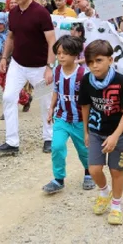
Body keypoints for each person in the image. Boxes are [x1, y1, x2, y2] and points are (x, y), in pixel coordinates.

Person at [0, 0, 56, 155]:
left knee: (45, 102)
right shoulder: (12, 13)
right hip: (18, 64)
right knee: (8, 97)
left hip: (40, 66)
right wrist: (4, 57)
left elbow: (51, 40)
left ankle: (49, 137)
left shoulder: (41, 13)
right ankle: (11, 142)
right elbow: (11, 37)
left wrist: (49, 66)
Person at [79, 40, 123, 226]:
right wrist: (86, 131)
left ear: (110, 59)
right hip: (96, 130)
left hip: (119, 133)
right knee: (94, 169)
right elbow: (85, 106)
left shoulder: (121, 81)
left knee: (116, 170)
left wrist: (115, 136)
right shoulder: (87, 80)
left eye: (99, 60)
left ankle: (117, 206)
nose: (94, 65)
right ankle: (104, 193)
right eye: (90, 62)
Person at [42, 36, 95, 194]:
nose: (61, 56)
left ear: (75, 54)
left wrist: (89, 124)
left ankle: (88, 173)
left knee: (84, 150)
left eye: (65, 53)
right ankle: (58, 179)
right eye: (58, 53)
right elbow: (56, 91)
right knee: (57, 146)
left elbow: (88, 101)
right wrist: (51, 109)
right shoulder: (57, 71)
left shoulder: (83, 75)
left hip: (79, 120)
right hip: (62, 118)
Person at [0, 12, 32, 116]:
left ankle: (9, 110)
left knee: (8, 88)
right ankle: (26, 98)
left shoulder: (12, 33)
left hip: (12, 63)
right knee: (3, 84)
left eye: (0, 23)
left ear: (5, 23)